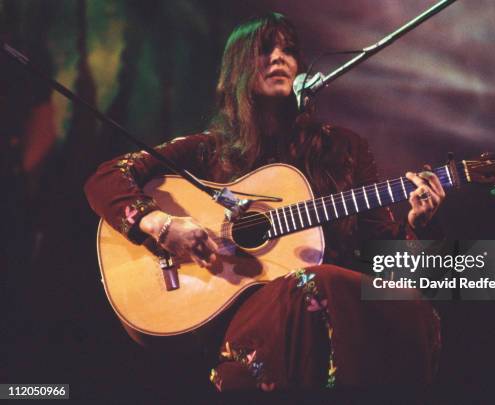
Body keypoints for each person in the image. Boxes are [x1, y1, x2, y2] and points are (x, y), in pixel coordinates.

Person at [85, 13, 445, 393]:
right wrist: (162, 225)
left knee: (408, 305)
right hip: (247, 318)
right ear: (236, 69)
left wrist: (418, 226)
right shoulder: (210, 150)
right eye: (264, 50)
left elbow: (384, 258)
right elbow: (106, 176)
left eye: (289, 50)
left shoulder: (345, 150)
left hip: (339, 321)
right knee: (314, 281)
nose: (279, 58)